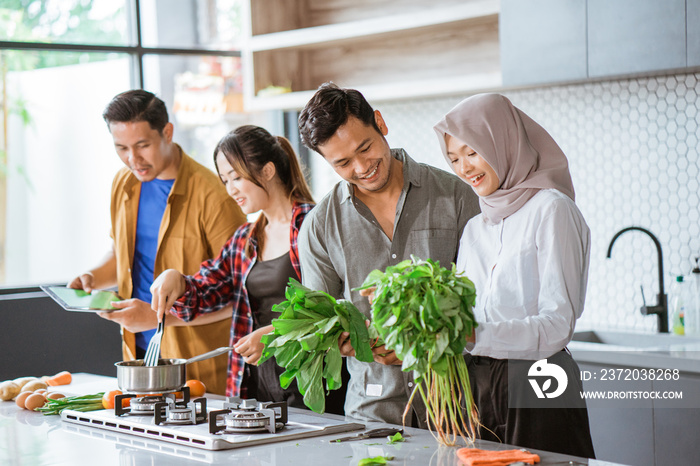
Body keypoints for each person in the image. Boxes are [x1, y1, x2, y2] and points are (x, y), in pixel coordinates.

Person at [296, 82, 480, 426]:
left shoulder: (456, 195)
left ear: (380, 123)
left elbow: (486, 299)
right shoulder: (320, 225)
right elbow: (319, 321)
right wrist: (349, 341)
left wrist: (427, 339)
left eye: (365, 148)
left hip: (456, 406)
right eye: (343, 163)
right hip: (373, 415)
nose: (362, 166)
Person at [433, 93, 595, 458]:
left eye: (472, 152)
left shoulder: (552, 209)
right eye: (454, 158)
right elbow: (466, 312)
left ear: (502, 141)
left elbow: (557, 324)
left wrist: (474, 334)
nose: (464, 168)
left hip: (539, 382)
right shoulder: (475, 227)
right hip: (479, 383)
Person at [68, 89, 246, 395]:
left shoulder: (214, 195)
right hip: (138, 361)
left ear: (167, 132)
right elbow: (122, 253)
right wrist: (94, 277)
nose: (132, 159)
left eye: (142, 145)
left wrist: (156, 316)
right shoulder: (124, 183)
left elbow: (242, 293)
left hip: (198, 368)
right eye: (121, 148)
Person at [149, 125, 319, 408]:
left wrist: (276, 333)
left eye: (236, 177)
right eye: (225, 180)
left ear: (267, 171)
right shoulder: (245, 239)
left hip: (312, 382)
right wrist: (176, 279)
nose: (230, 190)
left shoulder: (313, 224)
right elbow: (205, 292)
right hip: (254, 386)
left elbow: (330, 305)